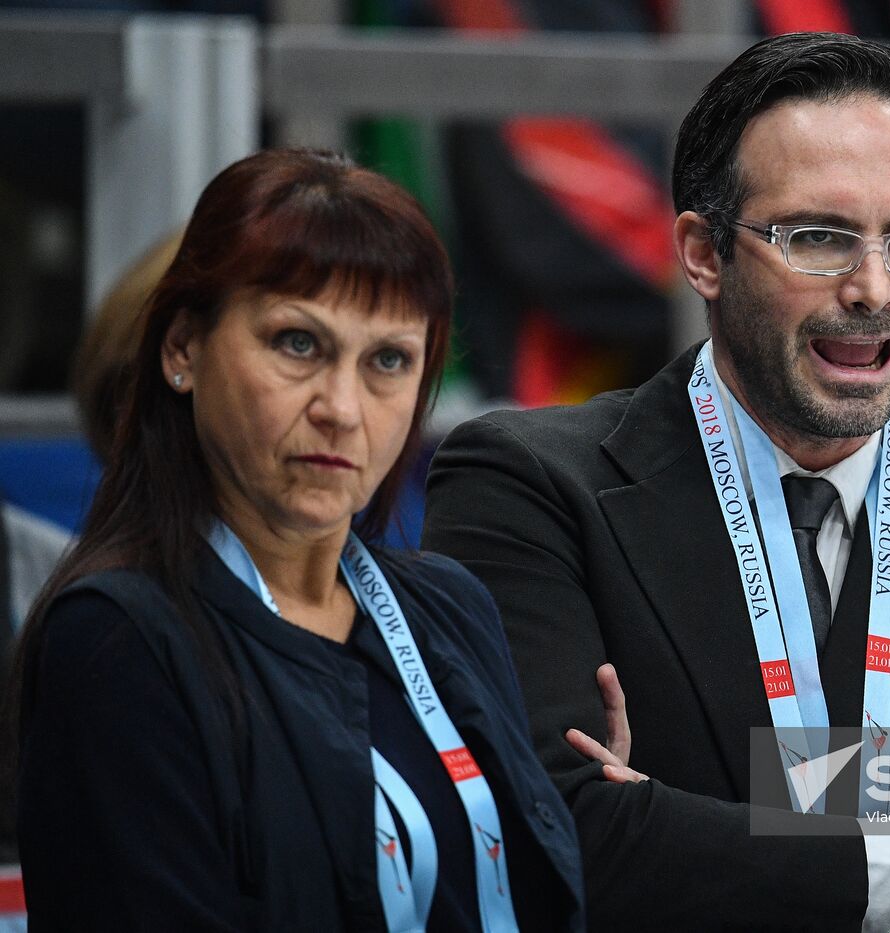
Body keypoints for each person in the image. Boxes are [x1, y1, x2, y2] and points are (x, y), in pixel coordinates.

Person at [423, 32, 890, 932]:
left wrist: (676, 835)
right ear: (704, 254)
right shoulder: (527, 488)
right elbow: (555, 843)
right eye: (820, 238)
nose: (874, 288)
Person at [5, 148, 584, 931]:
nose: (342, 407)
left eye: (388, 359)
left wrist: (595, 812)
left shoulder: (450, 605)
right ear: (183, 349)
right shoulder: (117, 638)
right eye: (297, 343)